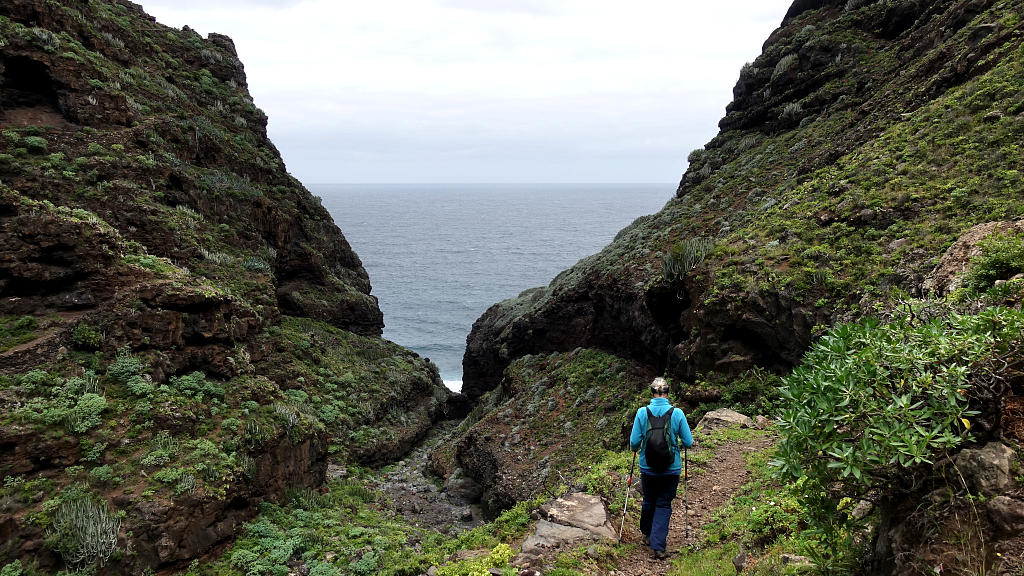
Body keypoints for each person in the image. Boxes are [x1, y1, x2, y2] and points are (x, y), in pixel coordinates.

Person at [629, 377, 693, 559]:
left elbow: (634, 443)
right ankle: (658, 546)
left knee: (649, 499)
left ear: (652, 393)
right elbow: (688, 442)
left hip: (647, 468)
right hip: (671, 469)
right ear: (667, 393)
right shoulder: (678, 413)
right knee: (664, 503)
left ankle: (647, 533)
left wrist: (637, 448)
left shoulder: (642, 413)